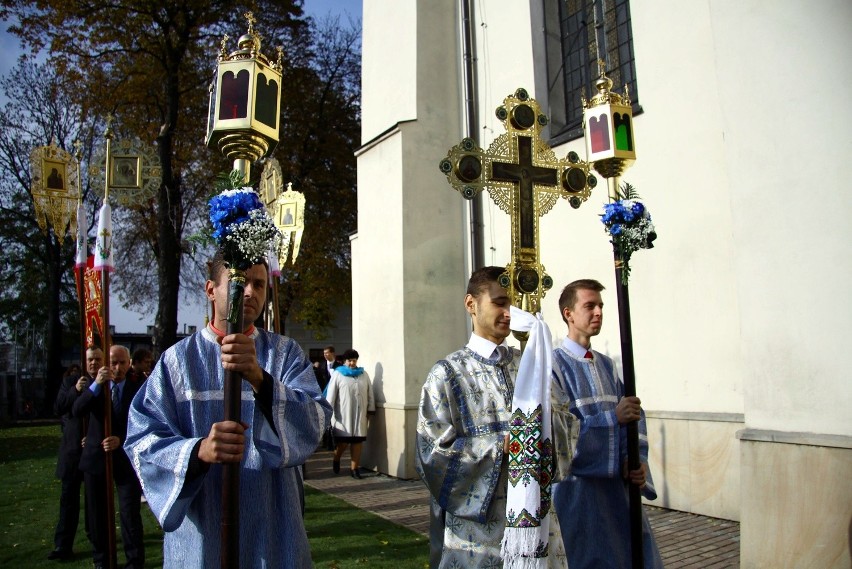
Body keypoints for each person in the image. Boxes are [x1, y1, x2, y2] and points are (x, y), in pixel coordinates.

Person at [124, 253, 331, 568]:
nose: (250, 292)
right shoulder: (176, 362)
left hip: (274, 525)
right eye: (240, 283)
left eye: (259, 285)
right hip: (203, 530)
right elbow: (142, 439)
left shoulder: (284, 354)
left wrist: (260, 379)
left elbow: (314, 421)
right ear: (210, 290)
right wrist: (198, 450)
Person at [416, 266, 570, 568]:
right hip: (478, 533)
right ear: (471, 304)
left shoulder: (532, 366)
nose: (509, 313)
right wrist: (504, 445)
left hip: (537, 522)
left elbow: (566, 431)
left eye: (513, 304)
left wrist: (548, 431)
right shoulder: (447, 374)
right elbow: (431, 452)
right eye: (500, 303)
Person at [551, 279, 663, 568]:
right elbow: (559, 433)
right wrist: (612, 418)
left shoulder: (607, 364)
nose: (598, 312)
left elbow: (634, 417)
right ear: (569, 314)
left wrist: (633, 461)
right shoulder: (554, 366)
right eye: (589, 306)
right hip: (578, 496)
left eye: (600, 306)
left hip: (615, 493)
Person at [73, 344, 145, 569]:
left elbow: (145, 422)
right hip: (97, 458)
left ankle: (134, 561)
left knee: (129, 513)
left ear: (129, 363)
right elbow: (76, 410)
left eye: (123, 362)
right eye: (113, 362)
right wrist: (96, 384)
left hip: (125, 459)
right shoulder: (97, 387)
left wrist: (121, 439)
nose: (118, 368)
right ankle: (102, 560)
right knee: (97, 514)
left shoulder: (138, 387)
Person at [48, 360, 88, 561]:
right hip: (72, 451)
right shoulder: (70, 383)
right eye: (90, 359)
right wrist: (75, 389)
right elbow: (59, 407)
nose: (94, 363)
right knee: (68, 501)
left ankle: (97, 539)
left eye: (97, 359)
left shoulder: (102, 383)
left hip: (93, 450)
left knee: (93, 502)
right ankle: (63, 544)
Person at [325, 349, 375, 479]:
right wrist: (328, 412)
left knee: (357, 442)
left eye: (354, 360)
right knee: (343, 443)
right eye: (350, 360)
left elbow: (370, 393)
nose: (352, 363)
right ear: (344, 361)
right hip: (343, 415)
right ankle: (336, 458)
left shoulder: (363, 374)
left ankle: (354, 469)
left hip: (360, 415)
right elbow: (331, 395)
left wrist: (370, 409)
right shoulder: (338, 374)